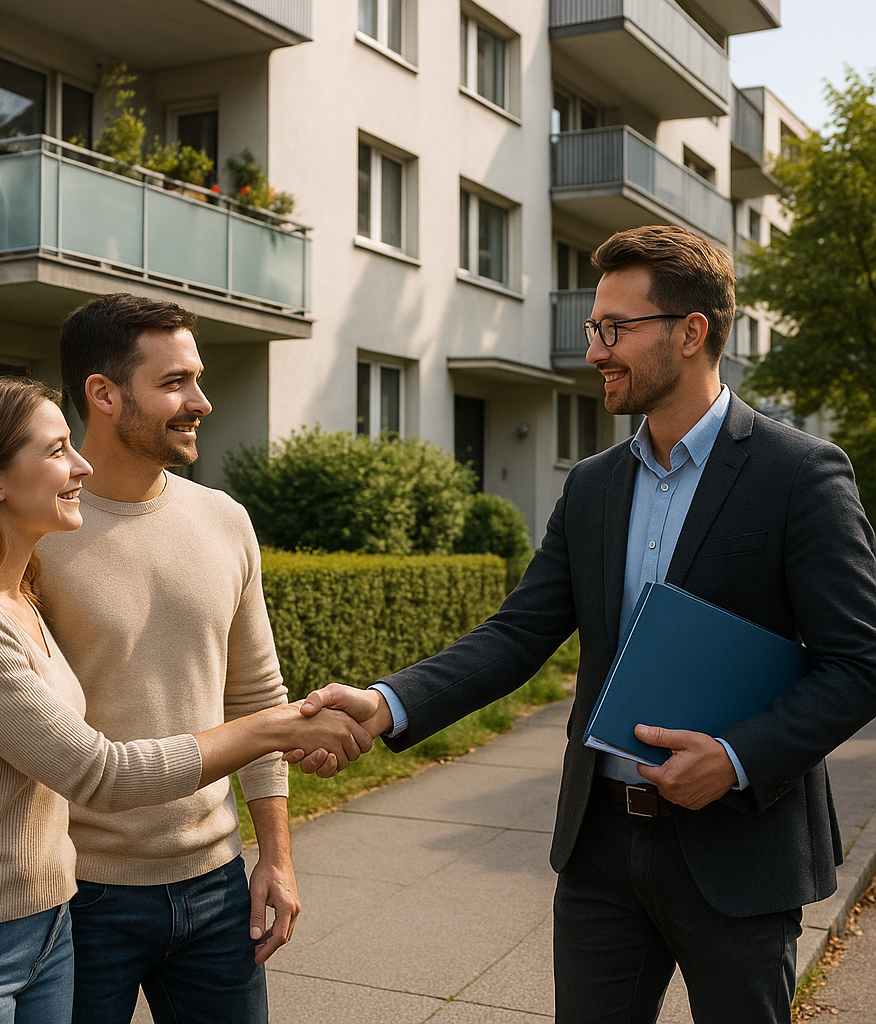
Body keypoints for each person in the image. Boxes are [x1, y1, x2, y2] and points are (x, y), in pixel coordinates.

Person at [295, 225, 876, 1023]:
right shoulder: (594, 485)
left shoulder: (800, 474)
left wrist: (739, 758)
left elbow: (858, 663)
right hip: (601, 849)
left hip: (740, 852)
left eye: (615, 329)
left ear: (692, 331)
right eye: (593, 329)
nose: (595, 350)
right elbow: (519, 632)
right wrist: (388, 701)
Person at [0, 295, 350, 1024]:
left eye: (198, 378)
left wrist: (277, 858)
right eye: (174, 383)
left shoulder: (223, 520)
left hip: (216, 883)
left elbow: (256, 690)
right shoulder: (35, 528)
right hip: (79, 896)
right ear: (103, 392)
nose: (201, 401)